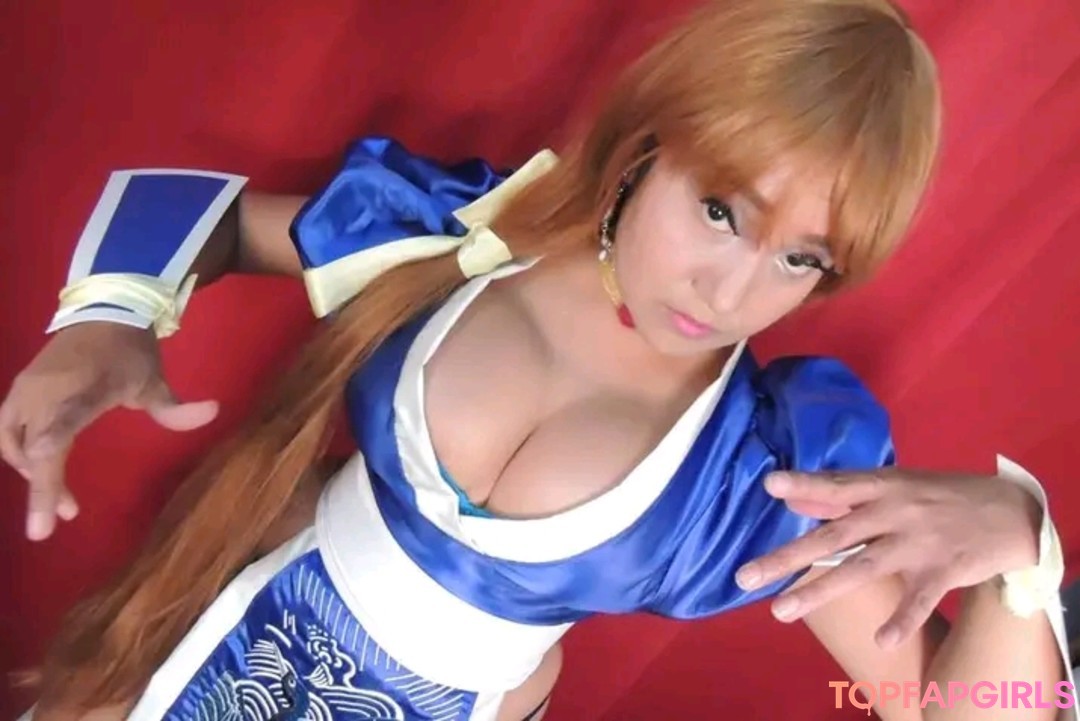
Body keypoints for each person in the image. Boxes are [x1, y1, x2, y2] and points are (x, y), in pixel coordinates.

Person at [2, 0, 1076, 719]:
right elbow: (215, 218)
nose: (729, 293)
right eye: (719, 210)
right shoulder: (474, 239)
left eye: (801, 258)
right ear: (648, 145)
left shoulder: (756, 476)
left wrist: (1019, 546)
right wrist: (108, 316)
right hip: (189, 632)